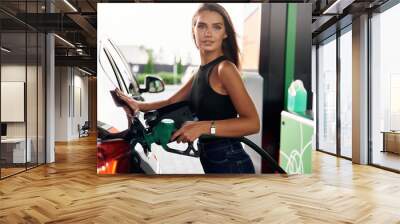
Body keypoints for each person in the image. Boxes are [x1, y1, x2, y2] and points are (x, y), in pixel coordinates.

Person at [115, 3, 260, 173]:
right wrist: (138, 105)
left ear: (225, 33)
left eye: (217, 27)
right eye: (202, 26)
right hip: (212, 158)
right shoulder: (200, 71)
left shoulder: (225, 69)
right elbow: (171, 101)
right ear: (194, 30)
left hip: (231, 159)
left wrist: (203, 127)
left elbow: (252, 123)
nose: (208, 33)